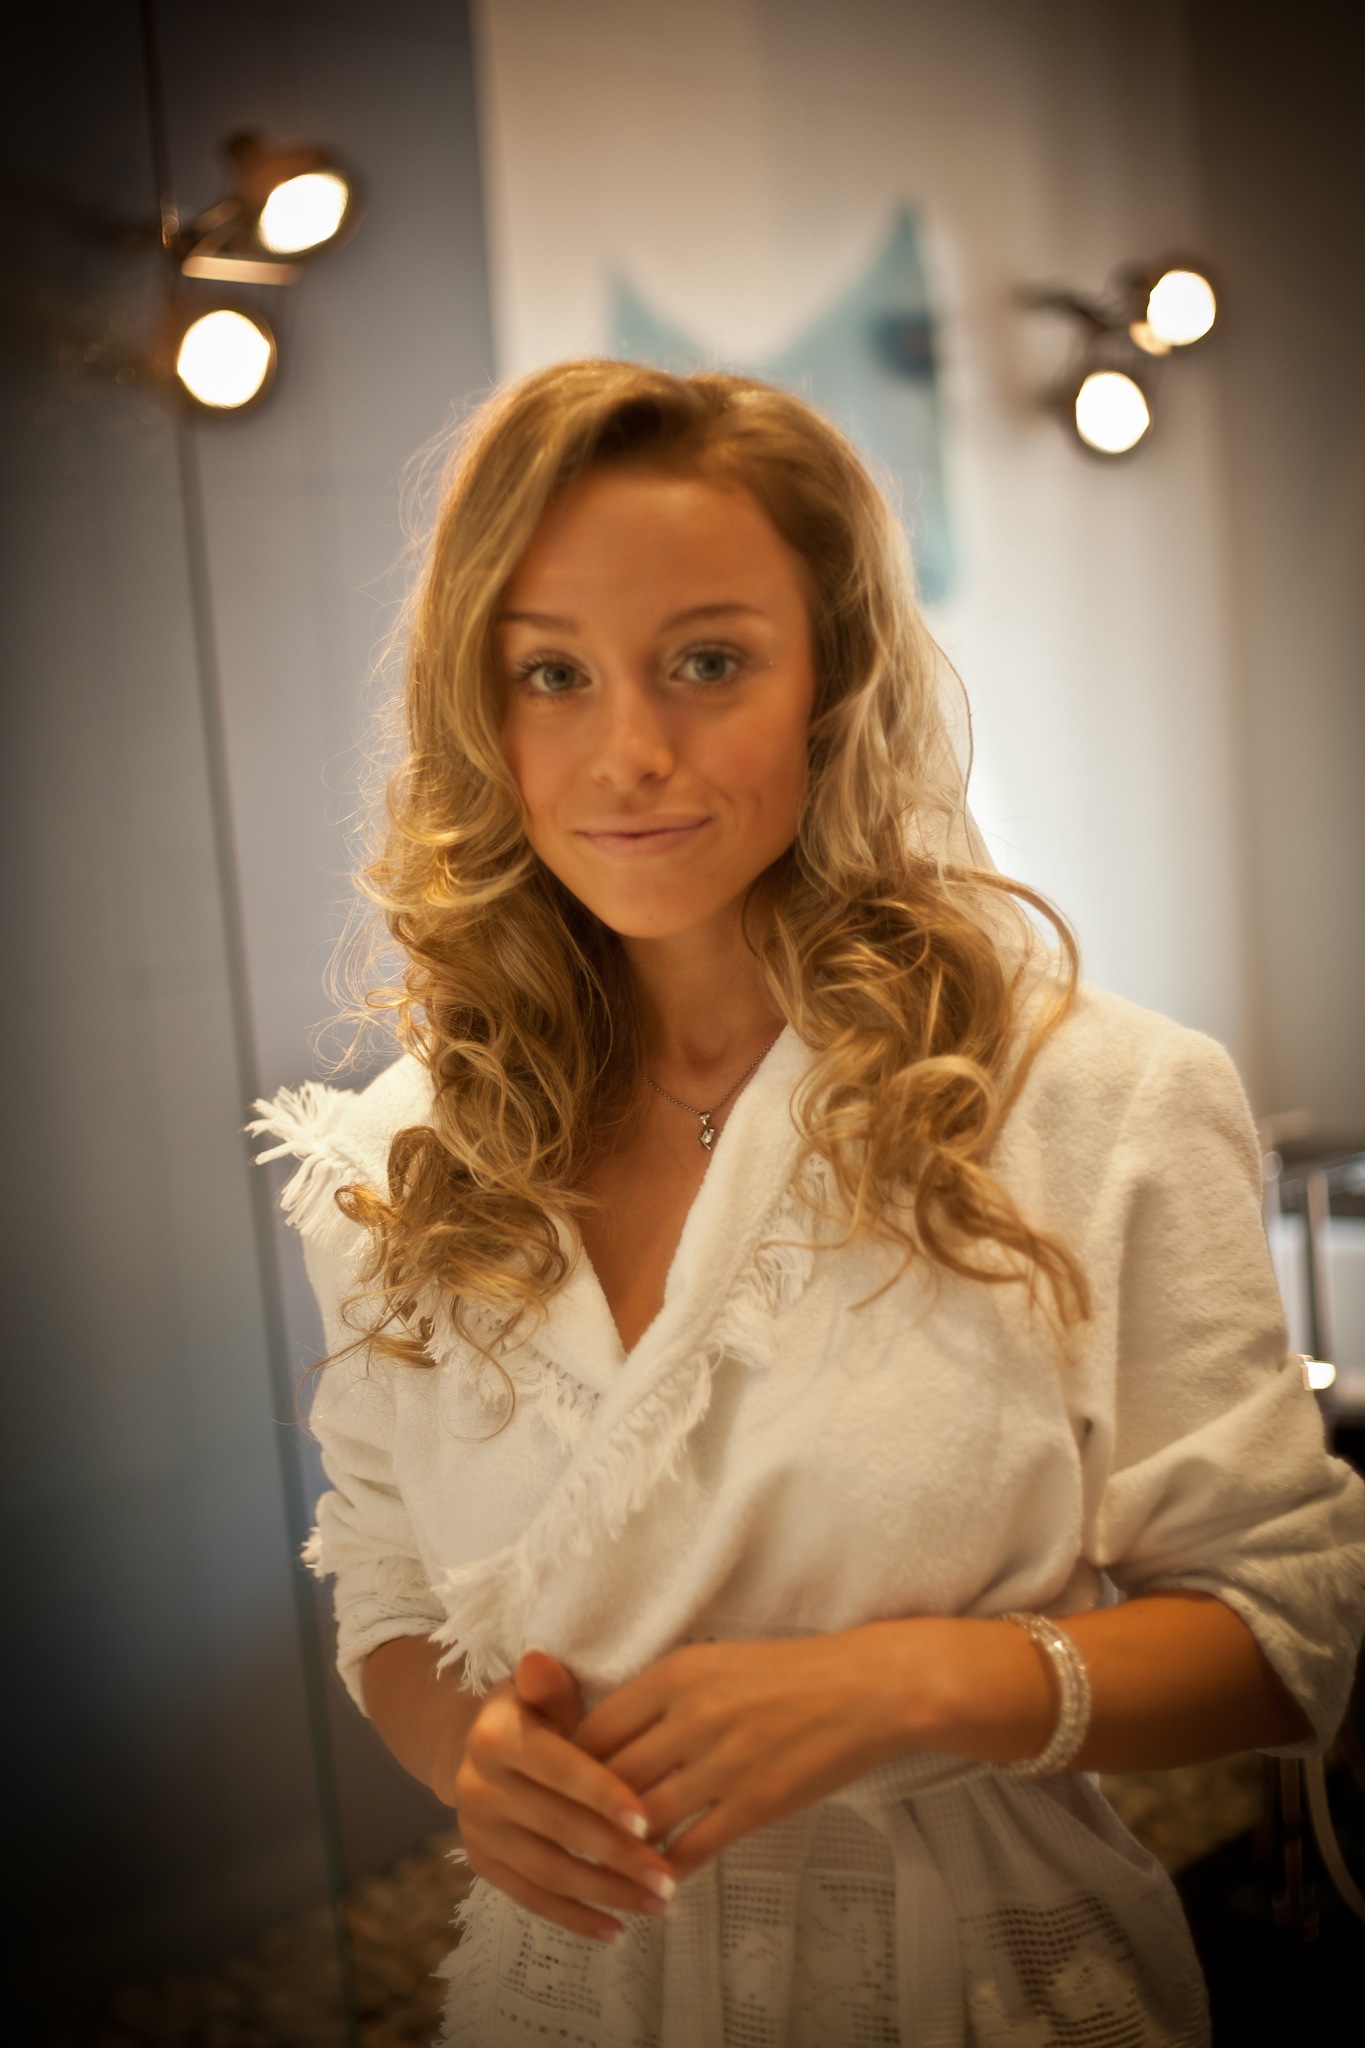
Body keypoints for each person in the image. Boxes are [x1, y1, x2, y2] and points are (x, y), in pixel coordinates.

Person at [252, 360, 1365, 2048]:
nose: (629, 753)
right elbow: (391, 1586)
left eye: (707, 662)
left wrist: (914, 1684)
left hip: (986, 1990)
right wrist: (471, 1760)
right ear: (480, 713)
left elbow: (1293, 1627)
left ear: (835, 682)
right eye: (551, 673)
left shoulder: (1087, 1102)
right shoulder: (408, 1157)